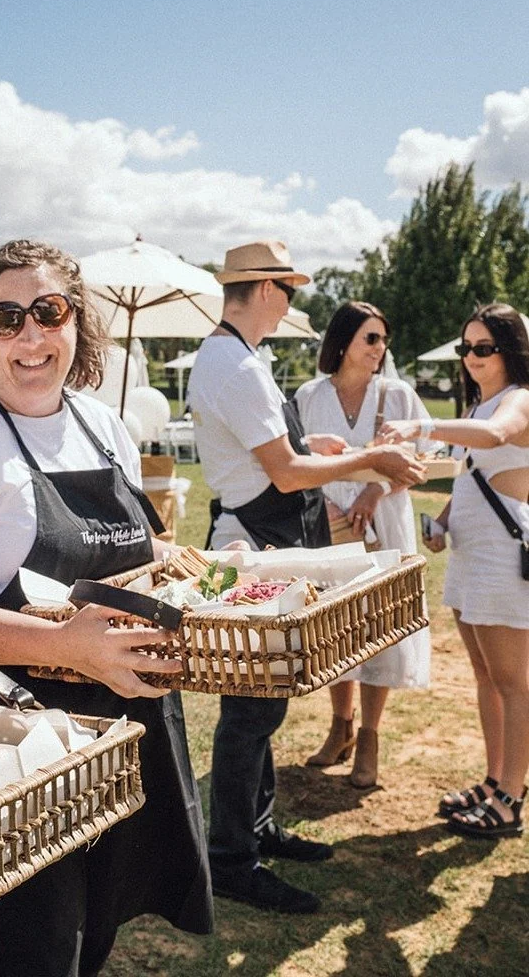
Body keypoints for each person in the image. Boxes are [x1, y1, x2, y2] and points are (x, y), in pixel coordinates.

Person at [0, 239, 211, 977]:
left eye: (48, 311)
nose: (30, 336)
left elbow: (139, 558)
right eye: (5, 318)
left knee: (96, 933)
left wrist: (194, 573)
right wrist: (72, 645)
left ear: (75, 323)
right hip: (18, 747)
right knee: (31, 954)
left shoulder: (104, 425)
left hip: (130, 726)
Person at [186, 240, 425, 914]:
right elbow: (286, 476)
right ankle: (232, 858)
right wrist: (371, 459)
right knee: (250, 711)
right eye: (289, 290)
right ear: (265, 290)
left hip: (265, 534)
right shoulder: (234, 364)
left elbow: (278, 457)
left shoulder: (236, 356)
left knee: (264, 701)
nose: (293, 302)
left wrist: (312, 446)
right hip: (253, 542)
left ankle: (257, 831)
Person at [378, 302, 529, 838]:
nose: (470, 357)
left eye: (483, 348)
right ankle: (494, 782)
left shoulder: (518, 401)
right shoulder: (483, 404)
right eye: (466, 348)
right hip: (471, 554)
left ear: (510, 350)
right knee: (488, 678)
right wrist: (440, 522)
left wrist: (420, 423)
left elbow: (494, 441)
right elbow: (472, 476)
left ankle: (512, 797)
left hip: (502, 557)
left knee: (515, 683)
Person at [294, 302, 432, 788]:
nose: (379, 348)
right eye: (370, 338)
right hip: (327, 529)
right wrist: (324, 503)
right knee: (337, 629)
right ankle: (340, 726)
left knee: (382, 625)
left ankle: (369, 737)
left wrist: (376, 490)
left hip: (385, 527)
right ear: (344, 341)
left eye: (383, 340)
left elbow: (422, 459)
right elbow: (294, 459)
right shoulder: (310, 395)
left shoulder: (397, 395)